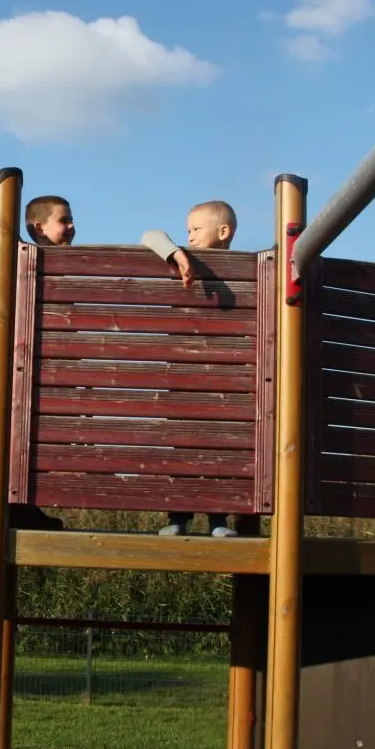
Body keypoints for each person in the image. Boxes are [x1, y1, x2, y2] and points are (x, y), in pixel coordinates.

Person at [140, 200, 239, 538]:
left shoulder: (245, 268)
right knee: (181, 448)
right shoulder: (186, 260)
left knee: (218, 451)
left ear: (223, 232)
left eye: (197, 230)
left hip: (222, 378)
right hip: (184, 375)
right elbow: (149, 235)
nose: (190, 237)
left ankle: (218, 521)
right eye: (188, 231)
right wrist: (177, 255)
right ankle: (178, 517)